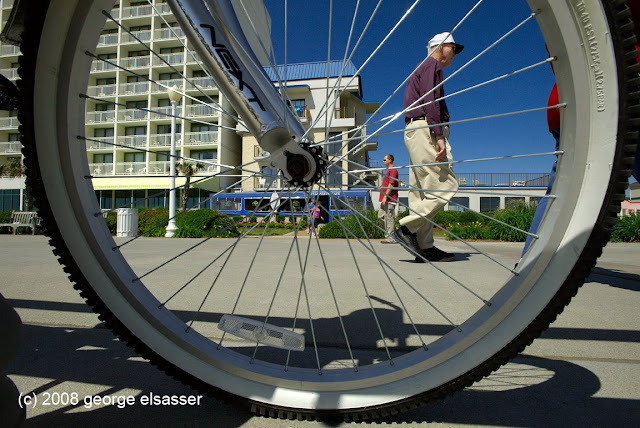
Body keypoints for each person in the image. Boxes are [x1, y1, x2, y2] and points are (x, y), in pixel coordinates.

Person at [394, 32, 462, 262]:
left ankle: (424, 247)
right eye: (453, 47)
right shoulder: (432, 65)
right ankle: (406, 228)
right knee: (446, 185)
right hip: (425, 128)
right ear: (441, 46)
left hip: (414, 131)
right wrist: (438, 134)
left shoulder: (421, 68)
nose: (455, 53)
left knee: (422, 193)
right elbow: (431, 99)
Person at [379, 154, 399, 243]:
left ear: (390, 160)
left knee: (389, 217)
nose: (383, 161)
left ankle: (391, 237)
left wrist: (385, 197)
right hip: (385, 199)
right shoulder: (389, 171)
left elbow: (391, 184)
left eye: (384, 160)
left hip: (390, 199)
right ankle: (396, 234)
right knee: (381, 216)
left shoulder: (393, 170)